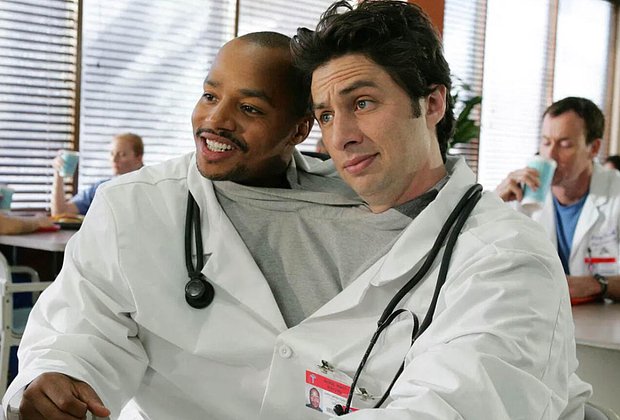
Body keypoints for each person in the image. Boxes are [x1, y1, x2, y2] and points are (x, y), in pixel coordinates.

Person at [4, 31, 416, 419]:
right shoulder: (134, 205)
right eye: (209, 95)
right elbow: (83, 326)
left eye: (249, 108)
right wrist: (60, 376)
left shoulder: (360, 207)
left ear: (299, 128)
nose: (215, 120)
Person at [288, 0, 590, 418]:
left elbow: (447, 410)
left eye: (362, 103)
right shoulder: (337, 227)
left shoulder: (507, 258)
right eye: (325, 115)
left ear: (432, 104)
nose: (339, 137)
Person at [495, 97, 619, 303]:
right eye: (546, 142)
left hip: (603, 318)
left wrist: (595, 284)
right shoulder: (519, 194)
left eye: (565, 144)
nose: (550, 154)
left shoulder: (615, 193)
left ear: (594, 148)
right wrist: (493, 204)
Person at [50, 132, 144, 216]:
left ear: (138, 158)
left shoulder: (148, 187)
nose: (114, 159)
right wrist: (58, 173)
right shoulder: (103, 188)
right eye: (112, 154)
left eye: (122, 154)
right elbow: (60, 212)